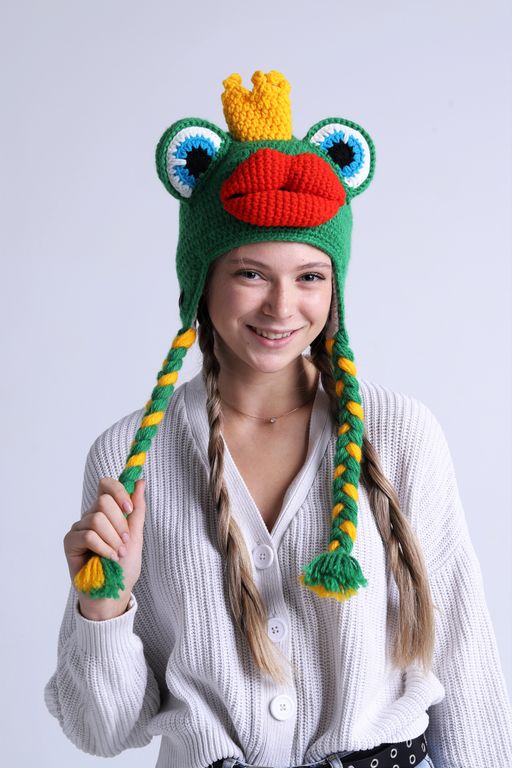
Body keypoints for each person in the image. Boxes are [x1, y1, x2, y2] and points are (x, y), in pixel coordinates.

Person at [43, 69, 512, 768]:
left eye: (310, 276)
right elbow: (101, 732)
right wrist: (103, 606)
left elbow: (465, 663)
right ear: (201, 280)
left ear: (336, 286)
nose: (282, 307)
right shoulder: (128, 457)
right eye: (251, 273)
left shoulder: (402, 436)